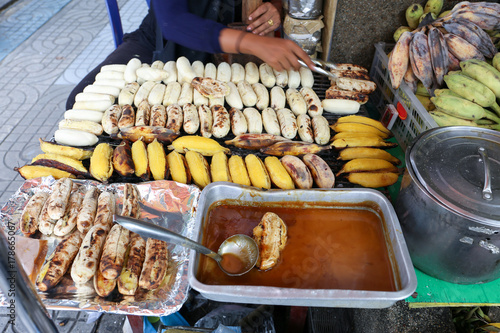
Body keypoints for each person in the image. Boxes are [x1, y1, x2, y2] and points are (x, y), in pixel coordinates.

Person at [66, 0, 314, 109]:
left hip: (233, 52)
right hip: (161, 40)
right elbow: (173, 21)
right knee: (78, 98)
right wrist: (252, 44)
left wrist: (276, 6)